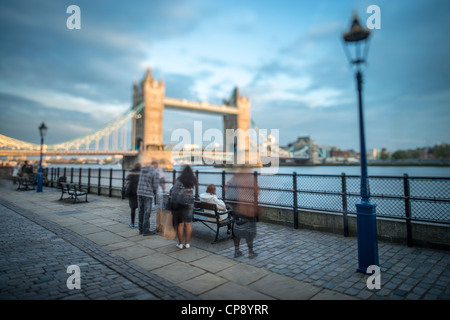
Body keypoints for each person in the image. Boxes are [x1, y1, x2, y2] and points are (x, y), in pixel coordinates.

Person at [225, 169, 260, 259]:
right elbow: (257, 192)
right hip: (247, 207)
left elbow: (226, 189)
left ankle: (237, 251)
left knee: (237, 228)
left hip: (236, 208)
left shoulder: (234, 178)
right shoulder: (249, 179)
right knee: (250, 230)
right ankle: (251, 252)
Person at [171, 165, 196, 249]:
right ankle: (187, 243)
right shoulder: (192, 181)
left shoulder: (179, 180)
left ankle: (180, 244)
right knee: (188, 224)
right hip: (189, 204)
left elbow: (174, 193)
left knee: (180, 224)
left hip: (180, 204)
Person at [136, 163, 159, 236]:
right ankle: (146, 230)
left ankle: (140, 229)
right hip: (147, 194)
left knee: (140, 211)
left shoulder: (142, 170)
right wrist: (155, 193)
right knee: (147, 212)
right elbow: (155, 186)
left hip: (139, 193)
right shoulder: (154, 173)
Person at [125, 163, 141, 228]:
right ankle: (140, 224)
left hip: (131, 192)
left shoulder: (130, 172)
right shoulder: (141, 173)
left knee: (133, 209)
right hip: (139, 192)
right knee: (141, 209)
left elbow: (126, 182)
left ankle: (132, 223)